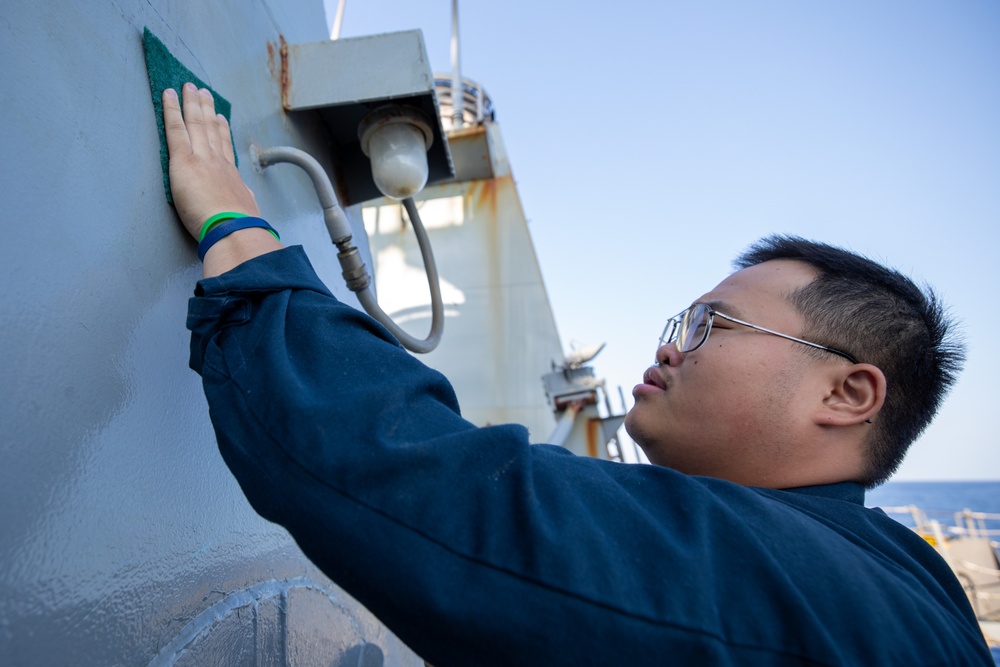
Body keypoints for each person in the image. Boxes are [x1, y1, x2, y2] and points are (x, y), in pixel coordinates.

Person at [163, 83, 993, 665]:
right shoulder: (911, 575)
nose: (671, 346)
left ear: (848, 392)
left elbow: (418, 479)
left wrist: (239, 234)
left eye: (711, 325)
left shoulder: (764, 568)